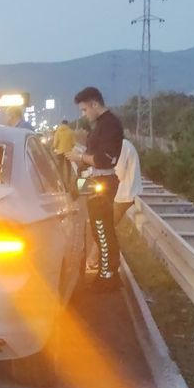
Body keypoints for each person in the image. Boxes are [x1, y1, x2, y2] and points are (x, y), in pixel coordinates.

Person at [67, 86, 124, 289]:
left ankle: (108, 276)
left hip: (103, 183)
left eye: (84, 110)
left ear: (94, 104)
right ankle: (106, 272)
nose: (84, 114)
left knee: (102, 229)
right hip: (95, 181)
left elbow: (103, 159)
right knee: (98, 228)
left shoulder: (110, 125)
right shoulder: (101, 124)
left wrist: (79, 157)